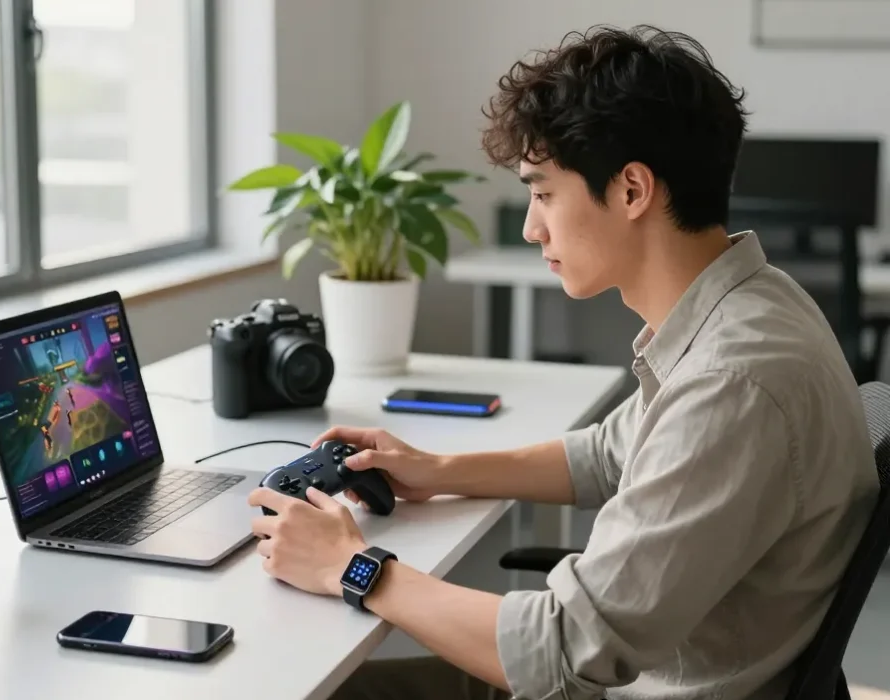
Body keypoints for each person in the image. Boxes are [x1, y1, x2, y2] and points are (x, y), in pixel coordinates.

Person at [247, 24, 880, 700]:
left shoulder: (734, 381)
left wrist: (351, 566)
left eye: (544, 192)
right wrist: (438, 472)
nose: (530, 226)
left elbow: (562, 651)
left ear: (633, 189)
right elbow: (609, 454)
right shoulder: (752, 303)